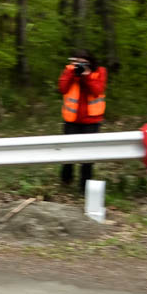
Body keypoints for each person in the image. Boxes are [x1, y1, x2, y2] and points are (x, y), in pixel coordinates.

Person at [57, 49, 107, 190]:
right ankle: (65, 181)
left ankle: (85, 185)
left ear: (90, 62)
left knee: (88, 155)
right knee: (68, 152)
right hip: (72, 119)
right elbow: (62, 88)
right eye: (77, 62)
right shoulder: (69, 70)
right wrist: (72, 72)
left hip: (91, 121)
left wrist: (86, 75)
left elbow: (97, 90)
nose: (79, 65)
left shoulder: (99, 72)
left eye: (83, 62)